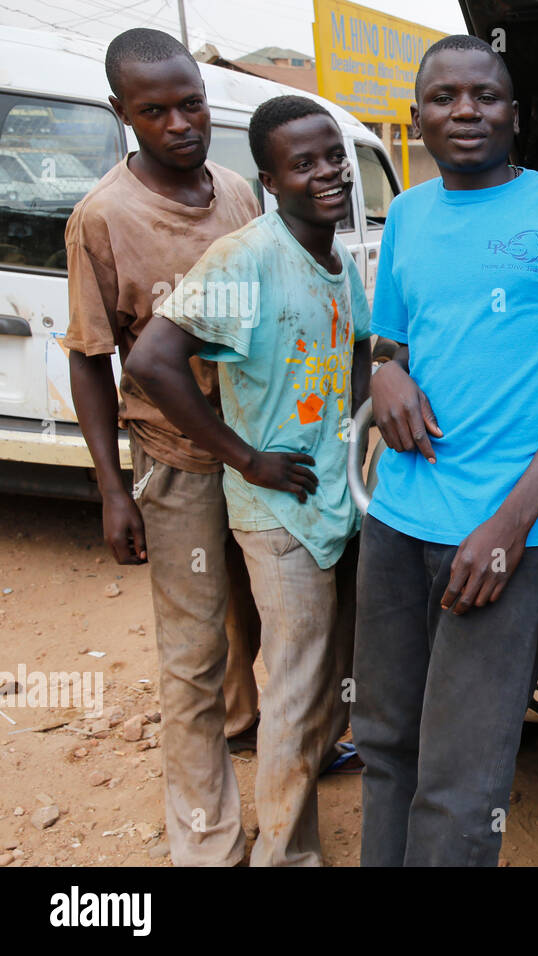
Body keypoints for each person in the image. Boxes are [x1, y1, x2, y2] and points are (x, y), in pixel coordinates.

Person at [351, 35, 538, 867]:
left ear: (517, 115)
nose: (465, 112)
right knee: (384, 741)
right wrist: (383, 369)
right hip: (397, 520)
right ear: (417, 117)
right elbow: (392, 342)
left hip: (504, 537)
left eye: (486, 97)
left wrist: (513, 522)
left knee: (460, 776)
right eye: (444, 98)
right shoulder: (406, 214)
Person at [126, 95, 371, 866]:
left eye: (333, 155)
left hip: (334, 504)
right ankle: (285, 858)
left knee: (325, 685)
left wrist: (358, 437)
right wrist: (245, 456)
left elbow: (360, 347)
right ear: (270, 180)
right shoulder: (248, 256)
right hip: (276, 512)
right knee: (296, 697)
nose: (327, 172)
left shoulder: (334, 258)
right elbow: (151, 361)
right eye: (305, 163)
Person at [65, 28, 260, 867]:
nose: (181, 123)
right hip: (176, 462)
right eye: (155, 111)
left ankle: (263, 732)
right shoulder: (103, 217)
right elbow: (86, 357)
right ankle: (207, 840)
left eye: (192, 104)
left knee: (270, 623)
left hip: (263, 453)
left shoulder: (242, 192)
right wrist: (113, 489)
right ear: (123, 114)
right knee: (190, 657)